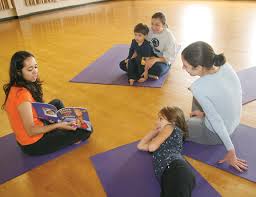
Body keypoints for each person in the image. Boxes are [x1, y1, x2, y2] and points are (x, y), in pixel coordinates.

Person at [2, 51, 92, 156]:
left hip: (35, 127)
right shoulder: (22, 96)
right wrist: (58, 125)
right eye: (30, 69)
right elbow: (31, 131)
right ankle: (66, 130)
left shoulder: (17, 86)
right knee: (87, 131)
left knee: (56, 102)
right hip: (33, 144)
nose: (35, 72)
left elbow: (34, 109)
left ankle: (65, 126)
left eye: (35, 67)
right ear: (18, 72)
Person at [182, 41, 248, 172]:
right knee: (196, 94)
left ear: (199, 67)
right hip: (234, 123)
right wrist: (205, 114)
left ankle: (196, 122)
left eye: (186, 66)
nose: (183, 68)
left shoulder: (199, 87)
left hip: (214, 134)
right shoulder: (225, 66)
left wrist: (231, 150)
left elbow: (216, 120)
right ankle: (199, 117)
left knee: (174, 126)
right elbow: (236, 95)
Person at [137, 106, 196, 197]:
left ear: (173, 122)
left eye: (160, 119)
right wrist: (155, 130)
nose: (157, 122)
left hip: (176, 171)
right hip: (170, 176)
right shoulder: (163, 143)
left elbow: (151, 147)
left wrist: (157, 135)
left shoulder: (171, 127)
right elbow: (140, 146)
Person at [146, 12, 177, 79]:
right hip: (150, 55)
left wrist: (155, 60)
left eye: (157, 25)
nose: (153, 27)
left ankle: (142, 71)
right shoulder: (149, 30)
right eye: (152, 24)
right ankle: (146, 72)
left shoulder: (169, 37)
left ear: (163, 25)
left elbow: (169, 58)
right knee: (124, 64)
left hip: (162, 59)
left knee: (158, 69)